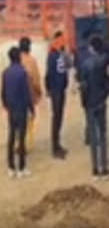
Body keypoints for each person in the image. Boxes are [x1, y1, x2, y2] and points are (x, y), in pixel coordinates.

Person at [80, 35, 109, 180]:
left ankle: (95, 170)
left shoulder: (85, 64)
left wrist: (84, 103)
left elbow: (83, 86)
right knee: (103, 136)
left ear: (92, 48)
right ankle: (104, 168)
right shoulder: (102, 62)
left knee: (94, 139)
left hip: (90, 104)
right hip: (101, 102)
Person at [2, 47, 34, 179]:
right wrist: (31, 108)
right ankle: (21, 168)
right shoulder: (22, 72)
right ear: (18, 57)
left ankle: (11, 167)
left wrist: (6, 105)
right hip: (21, 108)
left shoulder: (5, 72)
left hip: (11, 108)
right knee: (21, 138)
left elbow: (2, 92)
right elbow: (27, 93)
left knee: (11, 137)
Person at [45, 31, 71, 159]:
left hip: (61, 89)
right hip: (56, 91)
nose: (63, 42)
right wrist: (49, 89)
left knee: (59, 118)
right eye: (61, 40)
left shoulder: (61, 54)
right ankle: (55, 147)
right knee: (56, 118)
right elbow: (48, 74)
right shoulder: (52, 55)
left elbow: (68, 67)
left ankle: (58, 145)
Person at [19, 37, 42, 153]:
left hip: (17, 97)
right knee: (29, 120)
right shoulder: (32, 61)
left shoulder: (15, 59)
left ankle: (19, 143)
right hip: (29, 96)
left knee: (18, 121)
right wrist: (39, 92)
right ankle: (27, 144)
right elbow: (36, 80)